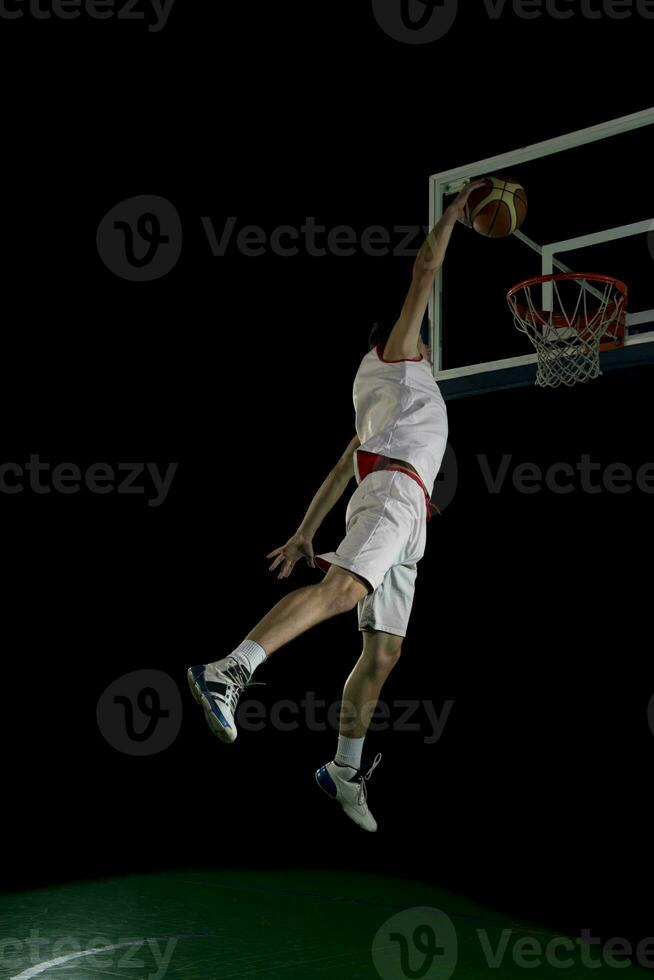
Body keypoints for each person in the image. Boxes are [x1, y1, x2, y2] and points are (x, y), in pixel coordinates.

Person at [188, 180, 485, 831]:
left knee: (384, 653)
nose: (428, 338)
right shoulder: (400, 359)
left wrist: (303, 532)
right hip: (392, 495)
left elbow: (338, 464)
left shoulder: (378, 394)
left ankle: (343, 771)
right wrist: (454, 214)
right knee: (344, 590)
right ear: (405, 341)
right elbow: (426, 269)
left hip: (408, 516)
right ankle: (229, 670)